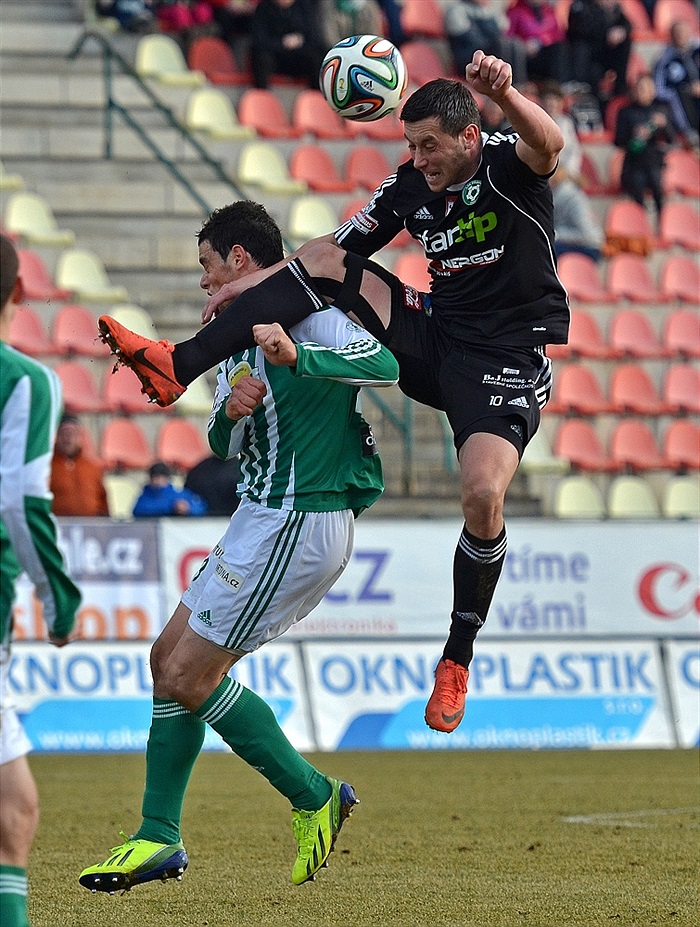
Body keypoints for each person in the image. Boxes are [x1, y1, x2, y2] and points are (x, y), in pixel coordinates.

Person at [96, 52, 568, 738]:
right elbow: (334, 248)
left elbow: (549, 143)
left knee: (482, 496)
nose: (419, 158)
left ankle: (456, 657)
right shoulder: (412, 183)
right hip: (435, 335)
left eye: (429, 145)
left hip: (504, 360)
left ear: (468, 136)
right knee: (321, 261)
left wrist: (506, 94)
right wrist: (241, 287)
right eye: (411, 145)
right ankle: (179, 364)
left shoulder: (508, 161)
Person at [79, 201, 398, 894]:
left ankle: (312, 792)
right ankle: (157, 835)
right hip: (261, 513)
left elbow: (383, 360)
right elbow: (224, 447)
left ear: (241, 259)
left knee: (191, 675)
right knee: (166, 659)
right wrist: (229, 414)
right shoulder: (233, 339)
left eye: (207, 265)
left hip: (300, 514)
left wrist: (299, 354)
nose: (203, 282)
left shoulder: (308, 312)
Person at [0, 234, 82, 927]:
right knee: (14, 808)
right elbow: (21, 500)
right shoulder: (24, 380)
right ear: (19, 296)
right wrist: (59, 598)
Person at [615, 72, 676, 226]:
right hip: (634, 164)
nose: (644, 92)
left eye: (648, 88)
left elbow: (671, 139)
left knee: (657, 183)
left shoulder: (661, 110)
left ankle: (663, 224)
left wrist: (663, 126)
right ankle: (640, 225)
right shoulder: (626, 112)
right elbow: (618, 141)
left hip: (654, 162)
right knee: (637, 184)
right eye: (641, 89)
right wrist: (634, 135)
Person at [567, 0, 632, 109]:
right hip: (583, 59)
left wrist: (621, 31)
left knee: (625, 42)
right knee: (586, 57)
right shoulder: (580, 5)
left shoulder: (614, 10)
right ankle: (582, 89)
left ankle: (620, 89)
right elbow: (580, 31)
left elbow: (627, 25)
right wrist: (602, 13)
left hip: (603, 56)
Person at [444, 0, 528, 84]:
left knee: (515, 42)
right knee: (501, 44)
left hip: (491, 53)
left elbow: (503, 28)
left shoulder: (488, 11)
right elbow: (467, 38)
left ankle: (518, 84)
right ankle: (505, 84)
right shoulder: (457, 10)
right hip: (470, 59)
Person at [249, 0, 326, 89]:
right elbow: (259, 40)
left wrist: (299, 40)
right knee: (260, 56)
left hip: (298, 56)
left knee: (318, 54)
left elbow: (313, 36)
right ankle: (261, 94)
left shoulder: (303, 7)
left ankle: (317, 95)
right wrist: (282, 43)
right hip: (275, 56)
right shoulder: (263, 9)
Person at [49, 414, 109, 517]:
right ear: (57, 436)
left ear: (80, 437)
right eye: (64, 433)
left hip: (90, 526)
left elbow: (102, 498)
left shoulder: (92, 467)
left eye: (73, 433)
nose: (68, 438)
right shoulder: (47, 466)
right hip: (58, 525)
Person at [653, 19, 700, 147]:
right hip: (679, 101)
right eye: (678, 33)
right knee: (680, 94)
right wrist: (688, 89)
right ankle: (690, 134)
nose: (682, 36)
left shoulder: (697, 51)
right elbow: (659, 89)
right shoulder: (665, 59)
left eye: (684, 32)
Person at [550, 165, 605, 261]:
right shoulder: (560, 192)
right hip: (585, 243)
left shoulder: (568, 196)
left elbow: (586, 234)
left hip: (589, 247)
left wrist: (557, 234)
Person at [505, 0, 568, 84]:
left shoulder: (549, 11)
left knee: (560, 48)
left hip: (546, 52)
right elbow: (509, 37)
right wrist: (524, 45)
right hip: (528, 57)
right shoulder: (516, 11)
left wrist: (541, 42)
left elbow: (558, 35)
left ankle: (558, 85)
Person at [132, 460, 208, 517]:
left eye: (162, 478)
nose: (159, 482)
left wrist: (188, 509)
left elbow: (201, 507)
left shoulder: (177, 494)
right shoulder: (146, 495)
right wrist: (171, 507)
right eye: (156, 478)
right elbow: (138, 510)